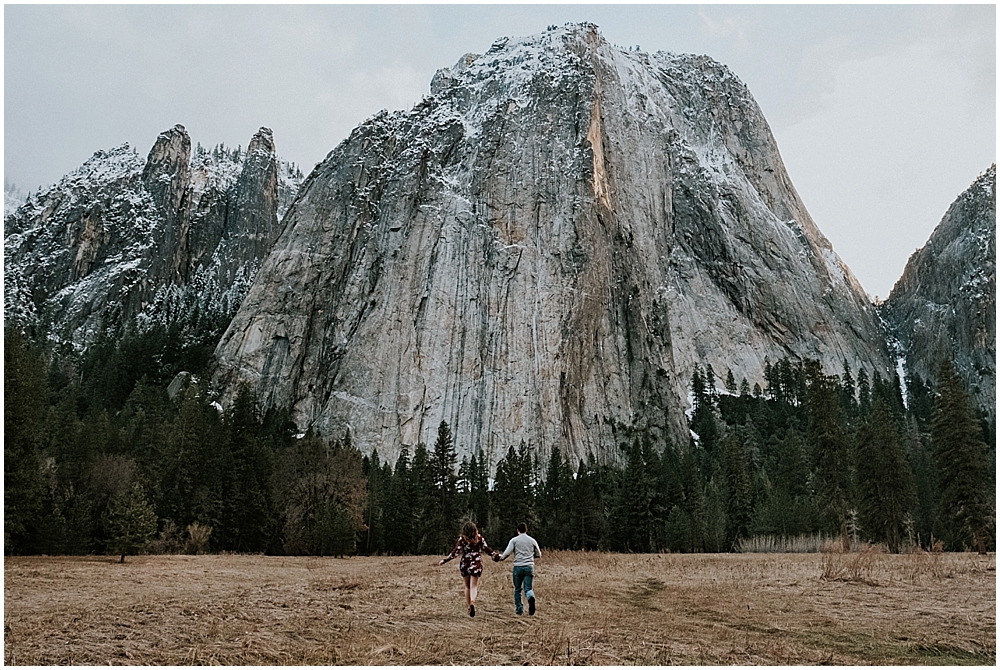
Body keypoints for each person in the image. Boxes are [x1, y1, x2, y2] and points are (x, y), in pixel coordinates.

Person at [438, 521, 497, 617]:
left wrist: (445, 560)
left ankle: (469, 606)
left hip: (465, 563)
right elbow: (487, 549)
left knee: (467, 586)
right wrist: (496, 556)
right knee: (474, 586)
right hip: (476, 563)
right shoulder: (479, 538)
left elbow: (455, 552)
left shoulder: (462, 539)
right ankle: (473, 601)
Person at [493, 522, 541, 615]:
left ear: (517, 530)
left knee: (517, 589)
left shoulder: (514, 540)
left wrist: (500, 558)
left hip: (518, 567)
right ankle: (531, 598)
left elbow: (507, 553)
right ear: (526, 530)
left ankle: (519, 610)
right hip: (529, 567)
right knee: (528, 588)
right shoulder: (532, 540)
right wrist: (530, 557)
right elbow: (539, 554)